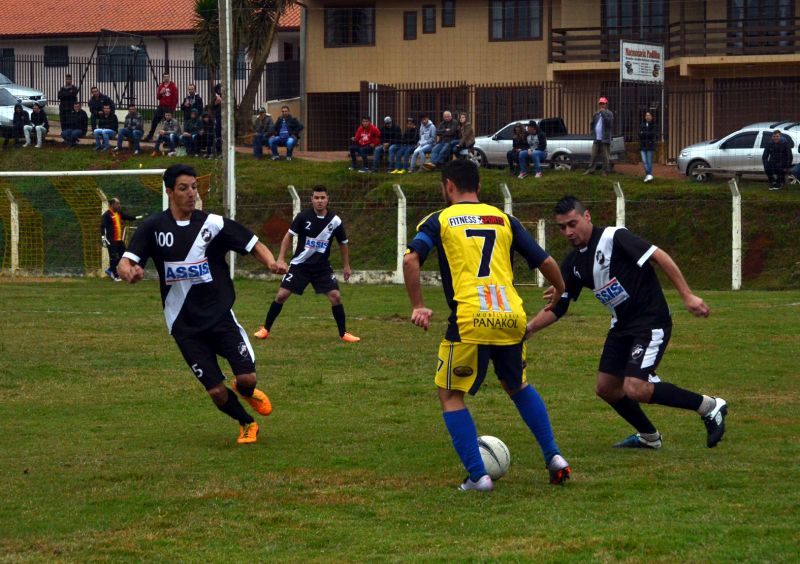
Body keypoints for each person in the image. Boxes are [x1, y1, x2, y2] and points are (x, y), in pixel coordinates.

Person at [403, 159, 571, 491]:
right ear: (478, 187)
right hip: (511, 317)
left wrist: (418, 305)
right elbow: (546, 261)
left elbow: (410, 259)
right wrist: (560, 290)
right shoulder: (504, 219)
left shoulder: (440, 219)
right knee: (518, 386)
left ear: (448, 186)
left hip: (470, 319)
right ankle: (555, 457)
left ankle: (478, 477)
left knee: (450, 394)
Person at [528, 195, 728, 450]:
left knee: (635, 387)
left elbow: (659, 256)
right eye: (562, 227)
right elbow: (559, 306)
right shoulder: (574, 262)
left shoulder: (615, 237)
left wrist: (687, 295)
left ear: (587, 216)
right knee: (607, 388)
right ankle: (649, 437)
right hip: (621, 326)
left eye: (572, 223)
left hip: (650, 321)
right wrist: (530, 328)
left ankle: (710, 406)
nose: (568, 232)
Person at [117, 164, 285, 444]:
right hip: (184, 326)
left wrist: (271, 263)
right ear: (170, 192)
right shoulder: (153, 227)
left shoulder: (213, 224)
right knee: (216, 391)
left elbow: (253, 243)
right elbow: (126, 261)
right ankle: (246, 423)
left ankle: (245, 391)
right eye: (184, 188)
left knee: (247, 379)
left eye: (194, 187)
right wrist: (128, 272)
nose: (191, 193)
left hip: (219, 317)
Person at [254, 186, 360, 344]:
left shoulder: (335, 221)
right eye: (316, 198)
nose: (319, 201)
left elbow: (343, 243)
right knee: (281, 295)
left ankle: (343, 333)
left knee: (336, 297)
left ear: (327, 199)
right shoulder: (303, 217)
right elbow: (288, 236)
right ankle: (265, 330)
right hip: (300, 266)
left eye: (322, 198)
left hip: (322, 268)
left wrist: (346, 265)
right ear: (311, 200)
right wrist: (281, 259)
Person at [100, 197, 141, 281]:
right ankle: (114, 274)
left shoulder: (119, 213)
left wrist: (138, 217)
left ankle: (111, 269)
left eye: (119, 203)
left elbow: (128, 217)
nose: (119, 205)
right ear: (112, 205)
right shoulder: (107, 215)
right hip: (111, 240)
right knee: (114, 257)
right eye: (117, 204)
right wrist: (103, 237)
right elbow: (102, 226)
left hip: (119, 240)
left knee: (124, 256)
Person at [583, 96, 614, 176]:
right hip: (596, 138)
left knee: (605, 156)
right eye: (600, 104)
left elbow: (609, 124)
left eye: (603, 103)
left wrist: (603, 113)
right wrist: (592, 131)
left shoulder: (609, 113)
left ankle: (605, 171)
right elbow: (592, 123)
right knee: (593, 155)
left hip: (605, 138)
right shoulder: (596, 114)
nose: (601, 105)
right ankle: (591, 170)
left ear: (606, 104)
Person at [145, 72, 178, 141]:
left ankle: (169, 139)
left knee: (169, 123)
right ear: (163, 78)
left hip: (169, 107)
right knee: (154, 121)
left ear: (169, 77)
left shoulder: (173, 86)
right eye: (165, 77)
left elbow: (175, 98)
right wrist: (161, 93)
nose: (166, 78)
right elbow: (158, 97)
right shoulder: (161, 86)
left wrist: (172, 108)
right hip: (161, 106)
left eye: (167, 77)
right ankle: (150, 135)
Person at [639, 111, 657, 182]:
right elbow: (640, 135)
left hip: (650, 146)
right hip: (642, 145)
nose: (647, 116)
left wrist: (644, 133)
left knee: (649, 161)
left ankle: (648, 175)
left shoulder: (653, 125)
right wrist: (644, 134)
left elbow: (652, 134)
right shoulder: (642, 124)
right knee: (644, 161)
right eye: (646, 115)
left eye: (649, 115)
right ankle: (649, 175)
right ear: (645, 117)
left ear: (651, 117)